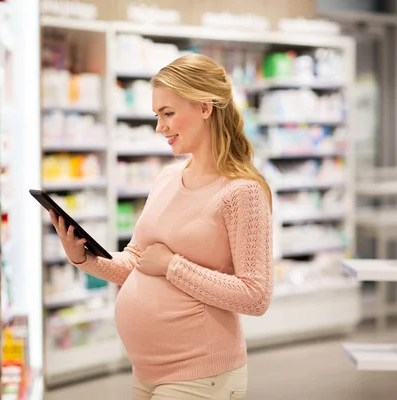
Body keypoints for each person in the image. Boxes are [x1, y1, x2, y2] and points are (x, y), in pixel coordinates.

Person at [49, 53, 273, 400]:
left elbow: (256, 296)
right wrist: (83, 258)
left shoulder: (241, 192)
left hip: (202, 375)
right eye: (157, 115)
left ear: (204, 107)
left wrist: (173, 266)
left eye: (168, 113)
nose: (160, 127)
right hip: (147, 373)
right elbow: (138, 261)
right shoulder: (168, 177)